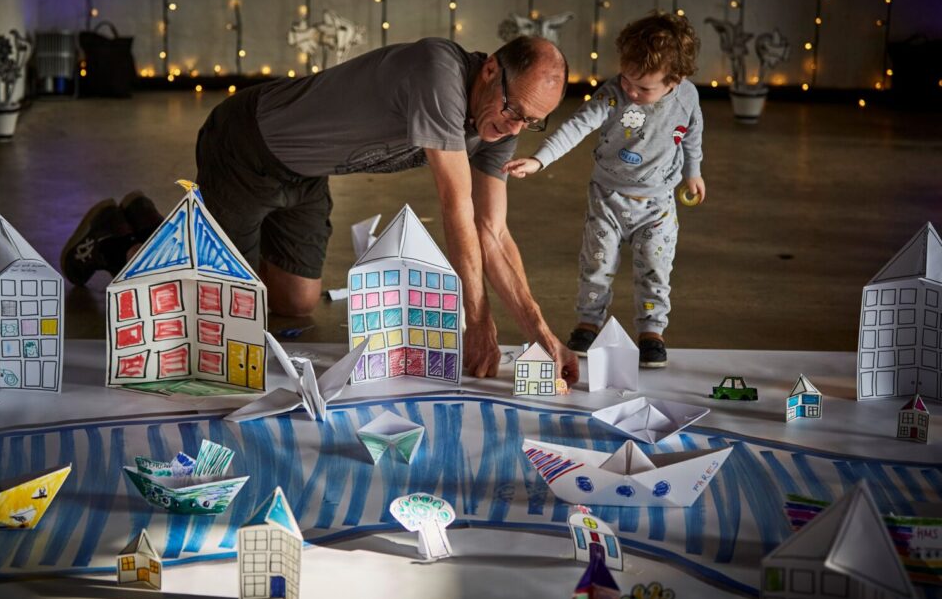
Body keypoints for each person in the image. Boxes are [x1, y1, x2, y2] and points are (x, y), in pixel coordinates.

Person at [61, 36, 580, 382]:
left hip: (306, 174)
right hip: (248, 146)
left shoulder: (499, 123)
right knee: (225, 315)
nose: (514, 128)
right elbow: (457, 209)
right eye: (513, 110)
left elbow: (492, 229)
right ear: (490, 70)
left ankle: (162, 225)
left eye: (531, 122)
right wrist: (479, 321)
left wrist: (541, 332)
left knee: (298, 303)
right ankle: (118, 239)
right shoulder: (437, 75)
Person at [502, 12, 704, 368]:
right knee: (597, 263)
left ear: (676, 79)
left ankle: (651, 332)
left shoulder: (687, 98)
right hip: (607, 199)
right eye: (626, 78)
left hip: (657, 204)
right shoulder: (613, 97)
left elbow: (691, 135)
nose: (631, 90)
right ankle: (588, 322)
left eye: (643, 87)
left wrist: (693, 172)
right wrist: (539, 160)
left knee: (656, 268)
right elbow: (577, 126)